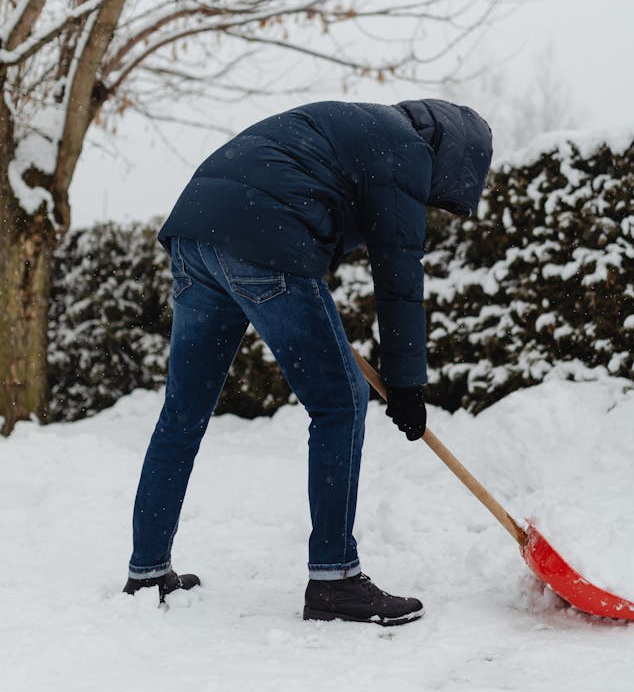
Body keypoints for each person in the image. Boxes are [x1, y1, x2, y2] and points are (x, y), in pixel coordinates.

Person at [123, 98, 492, 625]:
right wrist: (407, 385)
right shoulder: (407, 150)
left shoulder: (356, 128)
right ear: (450, 154)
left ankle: (147, 571)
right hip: (262, 237)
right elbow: (398, 274)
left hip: (196, 236)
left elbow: (312, 207)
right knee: (341, 404)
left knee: (182, 415)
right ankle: (335, 581)